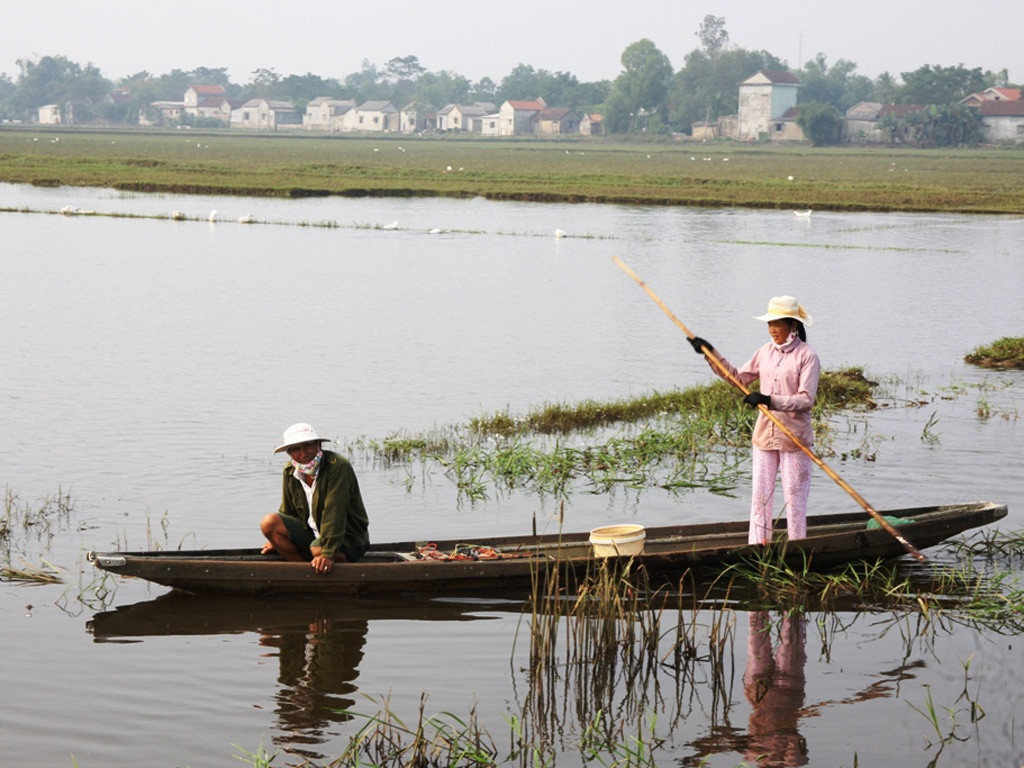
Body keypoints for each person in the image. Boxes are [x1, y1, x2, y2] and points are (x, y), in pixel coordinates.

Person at [689, 296, 820, 545]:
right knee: (760, 497)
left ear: (793, 325)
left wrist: (770, 401)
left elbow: (806, 400)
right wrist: (710, 353)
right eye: (769, 324)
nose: (772, 330)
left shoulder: (807, 356)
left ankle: (798, 548)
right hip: (764, 437)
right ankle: (758, 547)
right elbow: (738, 377)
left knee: (794, 499)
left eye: (777, 324)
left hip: (795, 439)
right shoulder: (765, 352)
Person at [260, 422, 370, 574]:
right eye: (296, 449)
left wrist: (327, 553)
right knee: (269, 524)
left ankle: (325, 564)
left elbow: (334, 512)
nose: (303, 453)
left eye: (308, 445)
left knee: (317, 549)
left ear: (318, 444)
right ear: (289, 453)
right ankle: (303, 571)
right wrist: (278, 540)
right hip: (312, 534)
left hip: (347, 537)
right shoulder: (290, 470)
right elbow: (288, 511)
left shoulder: (337, 467)